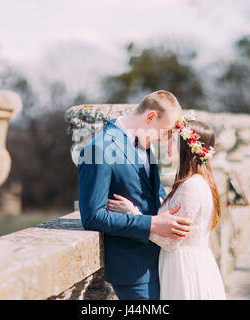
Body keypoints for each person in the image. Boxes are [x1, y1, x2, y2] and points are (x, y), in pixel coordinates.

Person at [78, 90, 193, 300]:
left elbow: (155, 197)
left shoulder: (146, 145)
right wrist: (151, 224)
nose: (165, 139)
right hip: (134, 271)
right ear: (150, 117)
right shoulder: (97, 149)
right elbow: (92, 217)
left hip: (163, 261)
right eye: (165, 132)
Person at [108, 117, 226, 300]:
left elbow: (171, 242)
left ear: (187, 147)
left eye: (173, 139)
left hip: (185, 268)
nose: (166, 143)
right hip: (186, 263)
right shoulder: (195, 182)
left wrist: (132, 213)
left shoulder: (191, 187)